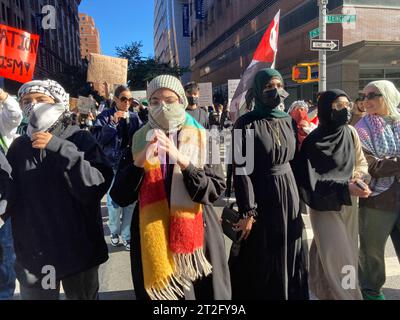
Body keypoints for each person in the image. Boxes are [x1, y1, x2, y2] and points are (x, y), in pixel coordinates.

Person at [111, 75, 231, 300]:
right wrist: (140, 160)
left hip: (196, 234)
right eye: (155, 101)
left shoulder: (204, 138)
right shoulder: (138, 138)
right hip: (152, 234)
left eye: (170, 100)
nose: (162, 106)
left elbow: (215, 189)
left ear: (182, 102)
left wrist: (183, 161)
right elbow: (120, 195)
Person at [7, 79, 113, 300]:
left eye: (40, 99)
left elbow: (94, 188)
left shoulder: (80, 138)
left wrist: (59, 147)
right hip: (38, 256)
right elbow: (9, 195)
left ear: (57, 102)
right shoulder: (18, 147)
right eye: (26, 101)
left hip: (79, 252)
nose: (33, 105)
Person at [229, 68, 309, 300]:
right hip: (261, 193)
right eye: (267, 87)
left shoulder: (288, 121)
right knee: (263, 251)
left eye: (278, 85)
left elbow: (295, 160)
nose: (275, 91)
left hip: (289, 192)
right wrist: (247, 211)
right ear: (257, 91)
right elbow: (241, 169)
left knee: (289, 248)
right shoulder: (244, 123)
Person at [297, 89, 371, 300]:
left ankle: (323, 292)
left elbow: (361, 162)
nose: (345, 110)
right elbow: (311, 182)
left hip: (350, 204)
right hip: (324, 207)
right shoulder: (313, 142)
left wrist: (359, 178)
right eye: (339, 106)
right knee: (342, 258)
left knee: (335, 253)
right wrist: (344, 187)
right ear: (326, 109)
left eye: (347, 105)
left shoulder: (350, 132)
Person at [355, 80, 400, 300]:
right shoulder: (361, 129)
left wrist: (392, 161)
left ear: (389, 96)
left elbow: (384, 163)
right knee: (372, 253)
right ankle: (372, 294)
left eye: (373, 95)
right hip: (376, 199)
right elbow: (371, 165)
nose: (367, 100)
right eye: (364, 96)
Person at [92, 86, 142, 250]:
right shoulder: (105, 116)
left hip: (130, 165)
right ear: (115, 99)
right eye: (123, 99)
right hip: (112, 165)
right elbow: (97, 139)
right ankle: (114, 231)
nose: (127, 103)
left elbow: (140, 138)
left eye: (130, 100)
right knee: (113, 202)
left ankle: (127, 235)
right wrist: (112, 124)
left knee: (130, 202)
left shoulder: (135, 117)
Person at [0, 88, 22, 300]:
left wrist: (3, 96)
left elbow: (15, 115)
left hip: (1, 205)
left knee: (6, 255)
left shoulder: (2, 125)